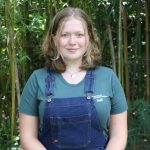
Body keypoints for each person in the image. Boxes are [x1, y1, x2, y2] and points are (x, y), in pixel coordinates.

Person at [19, 7, 128, 150]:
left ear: (89, 37)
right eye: (65, 35)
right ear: (54, 38)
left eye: (79, 35)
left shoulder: (108, 78)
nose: (72, 41)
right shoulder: (37, 79)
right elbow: (27, 138)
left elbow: (119, 135)